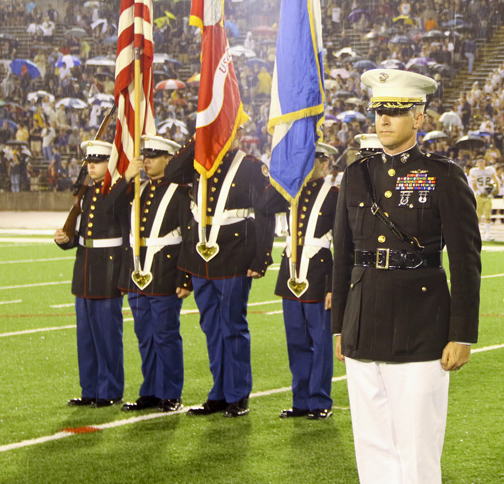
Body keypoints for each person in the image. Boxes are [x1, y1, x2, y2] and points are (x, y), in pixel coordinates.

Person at [333, 69, 481, 484]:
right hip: (363, 319)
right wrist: (340, 325)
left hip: (422, 323)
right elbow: (343, 256)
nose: (383, 120)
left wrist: (462, 334)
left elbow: (466, 260)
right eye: (379, 111)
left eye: (395, 112)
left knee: (417, 444)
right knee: (372, 441)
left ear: (418, 118)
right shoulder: (356, 174)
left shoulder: (442, 174)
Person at [164, 131, 275, 418]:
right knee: (211, 327)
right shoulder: (200, 161)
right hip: (200, 258)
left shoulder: (251, 167)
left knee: (232, 326)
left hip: (235, 254)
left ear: (238, 132)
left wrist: (262, 257)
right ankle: (219, 393)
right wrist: (200, 138)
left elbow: (265, 213)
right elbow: (172, 172)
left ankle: (237, 395)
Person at [258, 143, 338, 420]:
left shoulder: (334, 195)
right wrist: (284, 177)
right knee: (296, 341)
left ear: (324, 164)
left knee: (320, 342)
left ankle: (319, 400)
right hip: (291, 275)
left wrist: (334, 286)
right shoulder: (291, 192)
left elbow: (343, 245)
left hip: (319, 276)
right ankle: (301, 400)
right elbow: (264, 206)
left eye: (310, 159)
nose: (303, 164)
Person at [117, 137, 193, 413]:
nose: (146, 161)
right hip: (138, 273)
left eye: (153, 156)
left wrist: (185, 278)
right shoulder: (138, 190)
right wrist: (127, 178)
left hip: (164, 272)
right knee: (145, 335)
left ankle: (171, 393)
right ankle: (150, 390)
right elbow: (111, 210)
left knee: (165, 335)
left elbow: (188, 238)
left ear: (169, 159)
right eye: (145, 156)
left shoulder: (181, 193)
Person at [54, 141, 126, 408]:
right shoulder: (86, 194)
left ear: (110, 164)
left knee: (107, 335)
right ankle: (90, 389)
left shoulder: (117, 194)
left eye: (97, 161)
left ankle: (110, 390)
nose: (91, 166)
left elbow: (123, 233)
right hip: (84, 269)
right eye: (89, 162)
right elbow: (81, 235)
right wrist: (65, 239)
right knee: (85, 337)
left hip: (108, 270)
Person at [469, 157, 497, 241]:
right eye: (479, 162)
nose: (481, 163)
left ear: (485, 162)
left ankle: (487, 234)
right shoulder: (474, 171)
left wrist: (494, 189)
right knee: (478, 216)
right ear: (477, 163)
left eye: (482, 161)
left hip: (488, 196)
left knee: (488, 215)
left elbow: (495, 181)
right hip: (479, 195)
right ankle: (477, 234)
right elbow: (474, 184)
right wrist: (479, 192)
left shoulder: (490, 170)